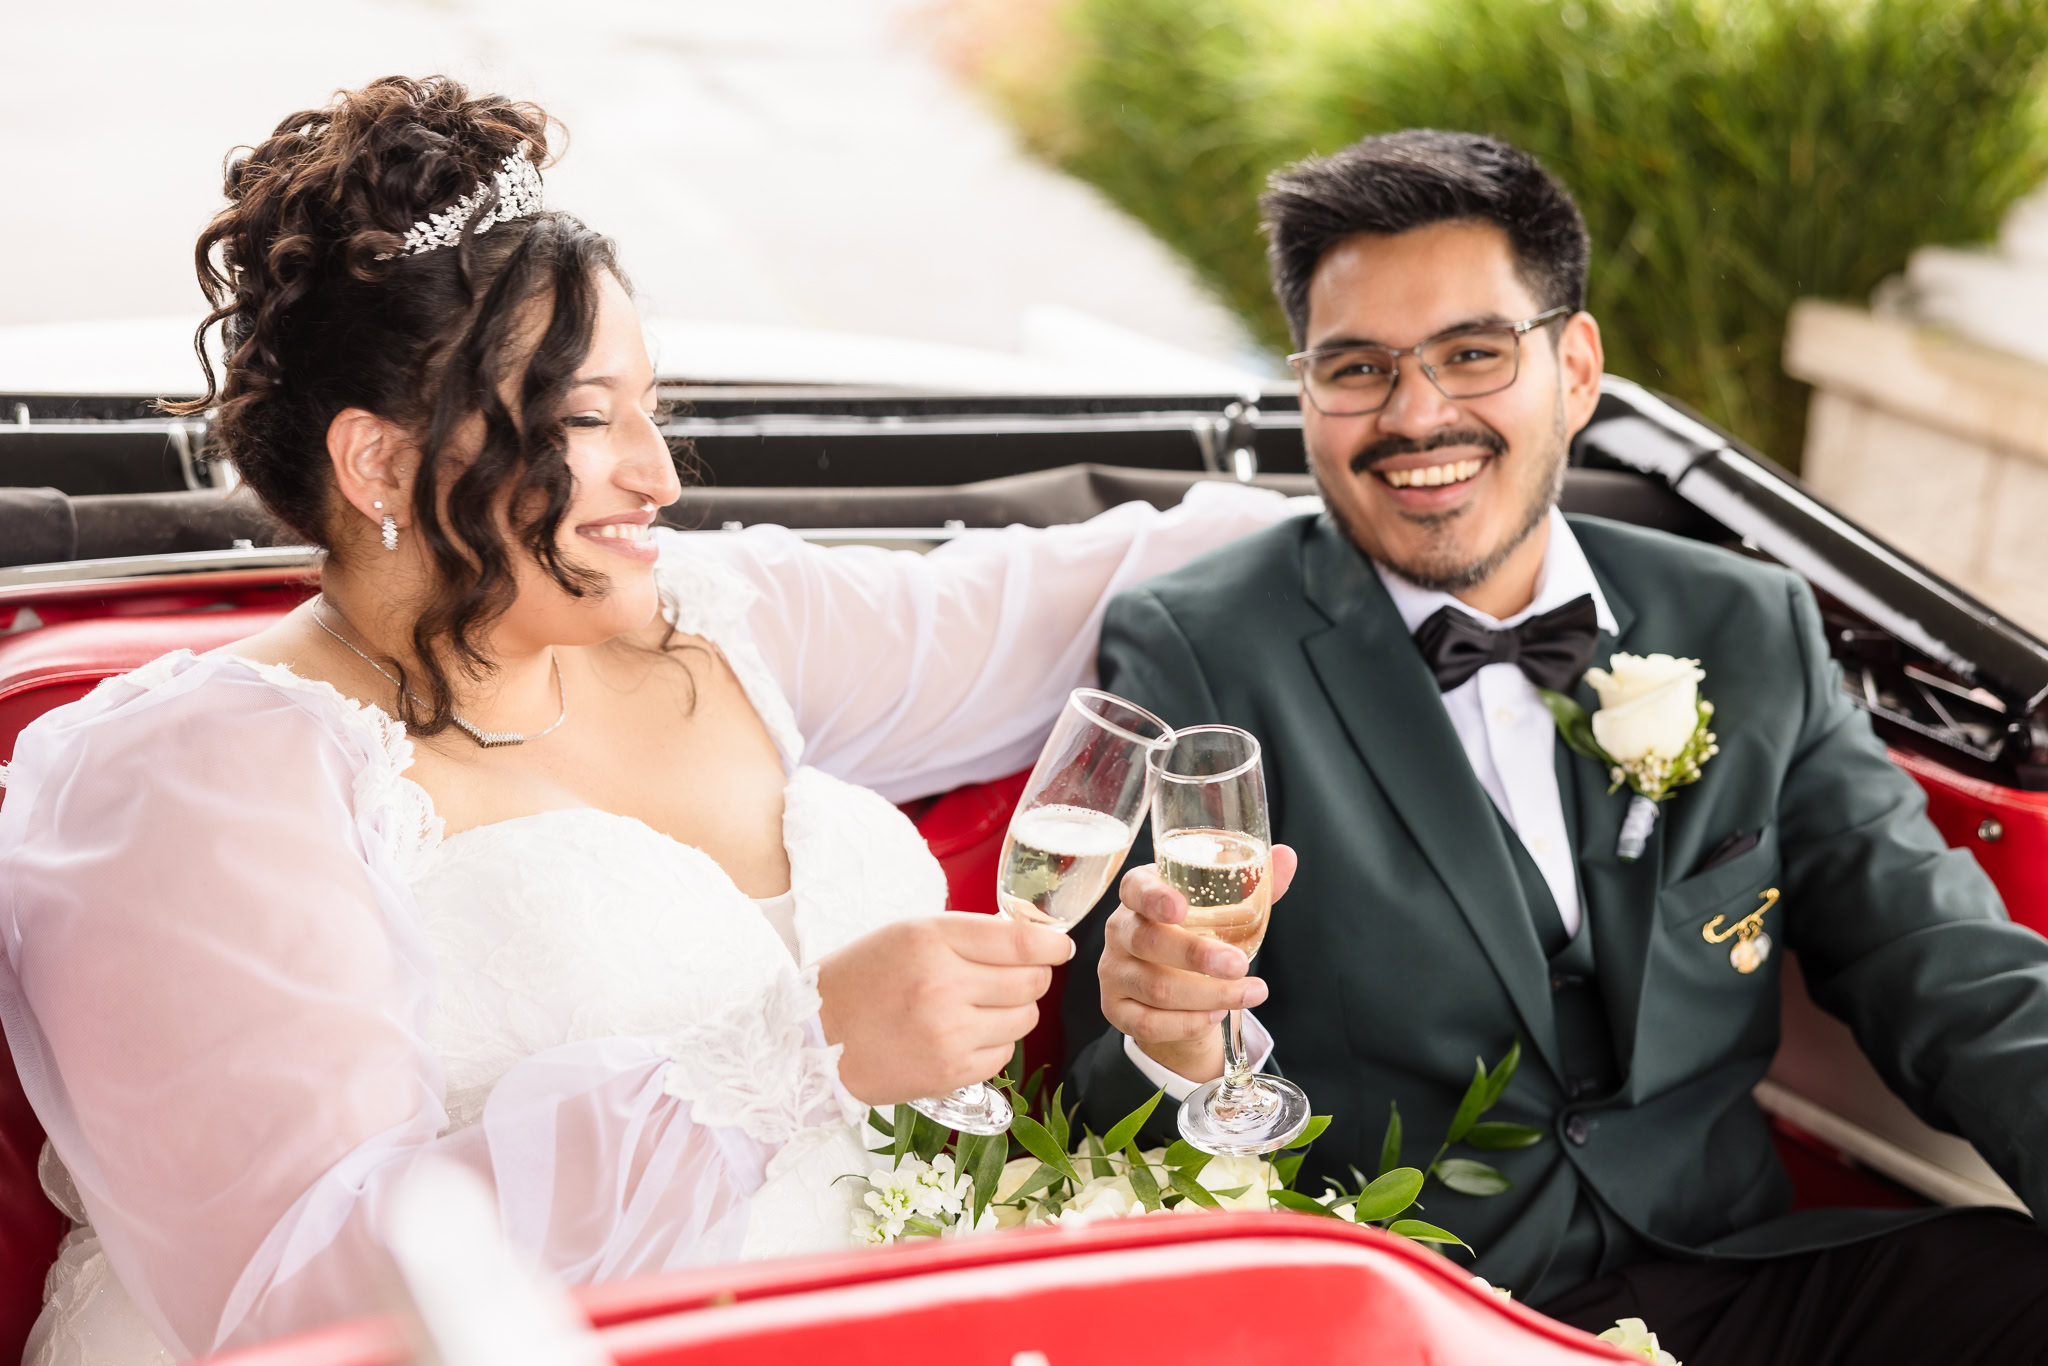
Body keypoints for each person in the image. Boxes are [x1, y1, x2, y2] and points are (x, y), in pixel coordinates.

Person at [0, 76, 1301, 1366]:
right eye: (583, 420)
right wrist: (806, 1051)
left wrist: (1413, 478)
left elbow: (1099, 589)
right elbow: (301, 1303)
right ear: (380, 462)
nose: (659, 473)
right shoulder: (200, 783)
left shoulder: (728, 621)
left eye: (650, 408)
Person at [1061, 129, 2048, 1365]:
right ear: (1305, 395)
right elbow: (1106, 1082)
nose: (1416, 415)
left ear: (1573, 367)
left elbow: (1939, 959)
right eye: (1355, 367)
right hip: (1422, 1321)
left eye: (1471, 353)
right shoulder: (1199, 646)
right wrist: (1171, 1034)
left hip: (1734, 1282)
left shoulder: (1744, 621)